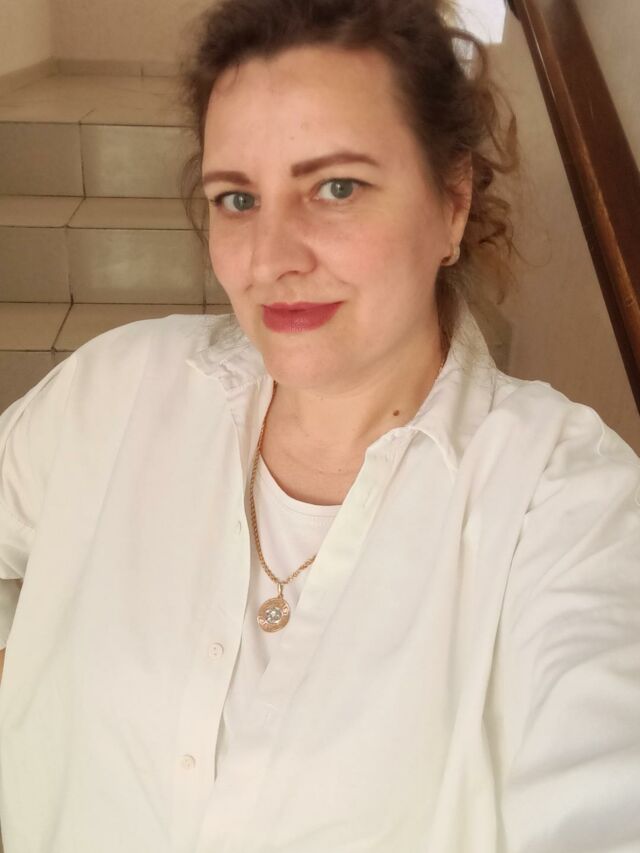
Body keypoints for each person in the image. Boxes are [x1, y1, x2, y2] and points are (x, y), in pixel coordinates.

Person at [0, 0, 639, 851]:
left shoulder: (564, 504)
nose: (271, 258)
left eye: (336, 187)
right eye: (237, 198)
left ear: (452, 202)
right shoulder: (113, 391)